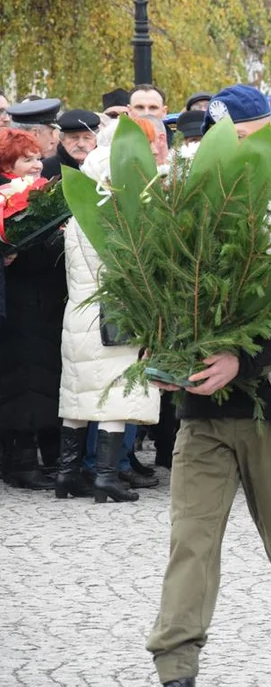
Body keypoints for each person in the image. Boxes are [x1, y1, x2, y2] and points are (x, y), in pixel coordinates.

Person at [146, 85, 271, 687]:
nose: (229, 147)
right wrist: (156, 339)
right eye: (217, 137)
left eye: (244, 135)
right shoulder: (183, 212)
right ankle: (175, 667)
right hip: (202, 411)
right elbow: (144, 288)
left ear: (269, 132)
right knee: (192, 540)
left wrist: (243, 358)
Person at [57, 119, 162, 503]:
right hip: (115, 313)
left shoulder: (79, 210)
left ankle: (67, 475)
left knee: (79, 394)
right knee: (116, 394)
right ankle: (105, 477)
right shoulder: (117, 213)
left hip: (80, 313)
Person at [0, 128, 63, 491]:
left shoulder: (39, 193)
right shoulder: (9, 196)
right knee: (21, 380)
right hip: (20, 300)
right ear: (9, 163)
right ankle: (21, 460)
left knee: (41, 377)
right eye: (27, 159)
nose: (36, 164)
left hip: (44, 298)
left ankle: (42, 455)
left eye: (38, 157)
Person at [42, 109, 99, 178]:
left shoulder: (106, 167)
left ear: (96, 140)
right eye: (74, 138)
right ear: (62, 139)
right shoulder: (45, 169)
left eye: (87, 138)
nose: (81, 144)